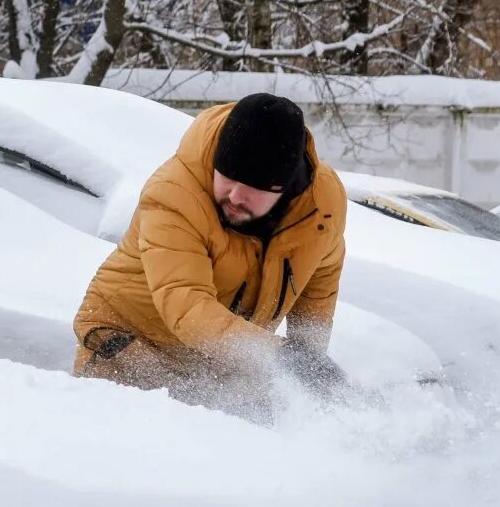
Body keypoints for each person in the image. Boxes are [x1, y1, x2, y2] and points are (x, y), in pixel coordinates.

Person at [72, 93, 349, 411]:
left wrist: (309, 366)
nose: (235, 195)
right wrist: (278, 356)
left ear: (284, 187)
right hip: (130, 345)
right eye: (228, 176)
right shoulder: (173, 195)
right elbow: (187, 304)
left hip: (223, 362)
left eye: (254, 187)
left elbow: (321, 278)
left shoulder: (320, 204)